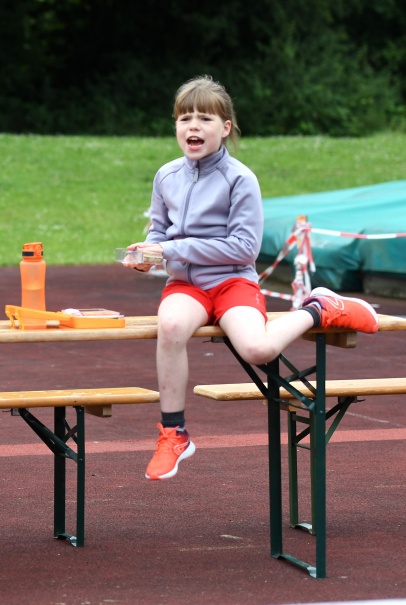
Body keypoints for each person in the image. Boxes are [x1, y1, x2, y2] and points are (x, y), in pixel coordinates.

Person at [123, 75, 379, 481]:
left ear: (225, 128)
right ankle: (174, 433)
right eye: (184, 118)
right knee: (170, 325)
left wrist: (170, 249)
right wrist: (145, 253)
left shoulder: (241, 179)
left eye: (204, 119)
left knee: (258, 350)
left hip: (232, 282)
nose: (193, 127)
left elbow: (243, 249)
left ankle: (319, 308)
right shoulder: (166, 176)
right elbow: (159, 232)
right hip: (186, 285)